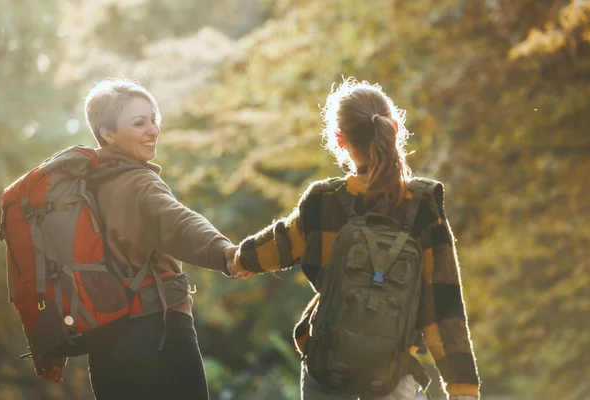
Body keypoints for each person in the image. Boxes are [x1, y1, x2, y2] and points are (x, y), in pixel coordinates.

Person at [228, 78, 480, 400]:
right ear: (396, 128)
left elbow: (279, 245)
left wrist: (237, 258)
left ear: (338, 139)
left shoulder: (322, 200)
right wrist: (462, 387)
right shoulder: (422, 206)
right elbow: (444, 302)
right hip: (393, 374)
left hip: (327, 369)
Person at [36, 78, 238, 400]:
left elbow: (50, 267)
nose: (153, 130)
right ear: (108, 133)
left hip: (104, 347)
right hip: (159, 333)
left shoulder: (79, 189)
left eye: (154, 120)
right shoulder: (138, 181)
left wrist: (48, 346)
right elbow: (177, 221)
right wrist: (224, 253)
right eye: (139, 123)